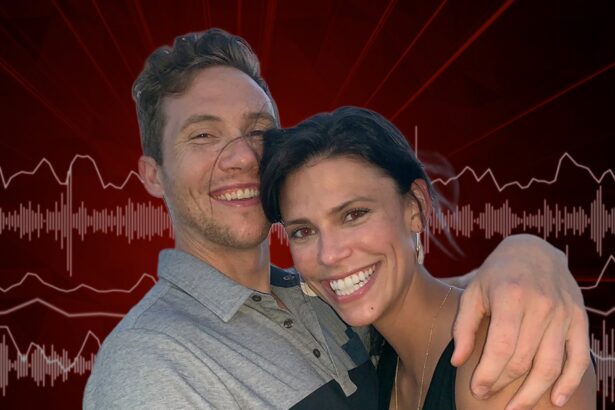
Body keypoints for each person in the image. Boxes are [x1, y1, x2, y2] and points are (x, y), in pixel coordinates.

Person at [84, 29, 590, 409]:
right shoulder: (146, 363)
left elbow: (418, 295)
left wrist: (527, 256)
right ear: (152, 175)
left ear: (414, 207)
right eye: (203, 135)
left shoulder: (324, 298)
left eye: (257, 130)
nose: (242, 157)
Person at [260, 106, 596, 409]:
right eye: (303, 231)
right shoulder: (382, 354)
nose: (330, 254)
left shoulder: (504, 360)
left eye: (354, 214)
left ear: (416, 206)